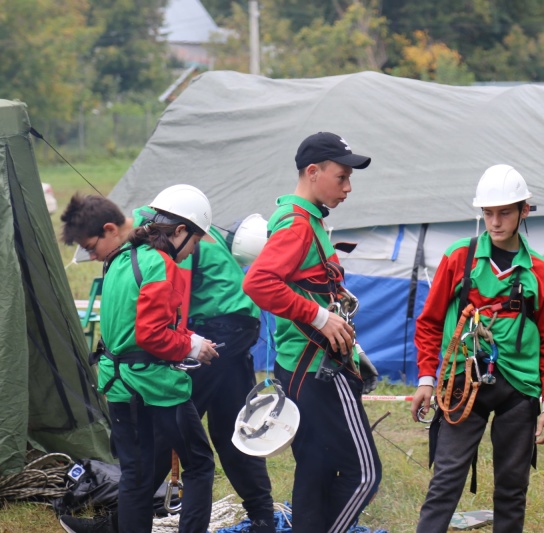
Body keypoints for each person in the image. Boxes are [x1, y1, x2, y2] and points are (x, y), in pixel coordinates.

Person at [59, 192, 276, 533]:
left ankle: (261, 516)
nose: (92, 255)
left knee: (188, 438)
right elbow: (157, 322)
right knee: (207, 436)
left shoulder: (161, 242)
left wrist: (185, 345)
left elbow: (176, 306)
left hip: (222, 328)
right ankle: (261, 516)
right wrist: (183, 344)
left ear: (111, 228)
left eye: (91, 247)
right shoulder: (152, 239)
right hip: (212, 330)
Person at [411, 164, 544, 533]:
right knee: (446, 480)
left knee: (512, 489)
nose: (495, 222)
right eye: (488, 213)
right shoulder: (457, 259)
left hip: (520, 390)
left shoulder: (540, 273)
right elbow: (430, 322)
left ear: (523, 211)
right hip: (462, 383)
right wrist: (426, 379)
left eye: (505, 212)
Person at [243, 132, 382, 533]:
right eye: (341, 176)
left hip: (300, 368)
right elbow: (258, 283)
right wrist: (320, 318)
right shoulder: (299, 226)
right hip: (319, 370)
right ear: (313, 172)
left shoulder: (306, 221)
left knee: (315, 474)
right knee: (363, 474)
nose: (348, 187)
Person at [93, 185, 218, 532]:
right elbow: (152, 335)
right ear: (179, 232)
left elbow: (131, 327)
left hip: (117, 384)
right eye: (194, 242)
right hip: (154, 385)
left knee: (136, 475)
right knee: (200, 464)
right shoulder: (162, 265)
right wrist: (193, 347)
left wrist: (187, 337)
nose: (193, 251)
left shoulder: (119, 257)